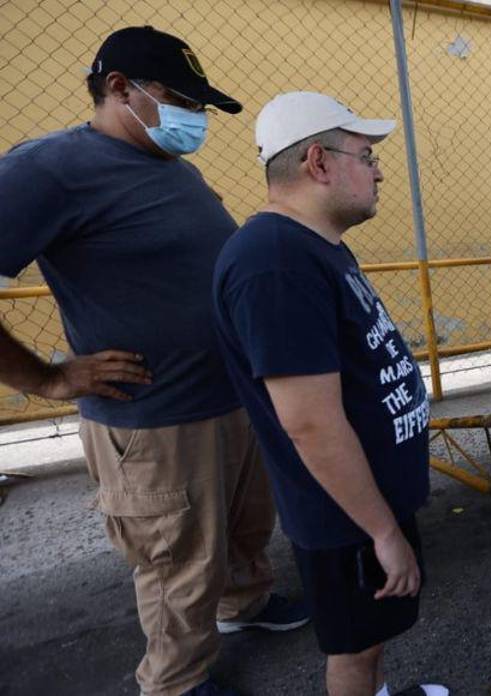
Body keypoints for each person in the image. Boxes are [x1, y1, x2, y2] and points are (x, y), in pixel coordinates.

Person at [0, 26, 307, 696]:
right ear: (120, 89)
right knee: (177, 561)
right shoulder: (46, 168)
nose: (195, 118)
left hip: (230, 396)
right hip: (156, 417)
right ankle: (175, 681)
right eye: (183, 101)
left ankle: (244, 603)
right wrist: (47, 378)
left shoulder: (172, 167)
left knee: (244, 527)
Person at [213, 92, 447, 696]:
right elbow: (310, 423)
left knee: (372, 637)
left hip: (365, 506)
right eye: (366, 157)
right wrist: (383, 533)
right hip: (347, 517)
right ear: (318, 161)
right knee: (354, 650)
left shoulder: (311, 246)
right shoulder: (274, 261)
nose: (378, 172)